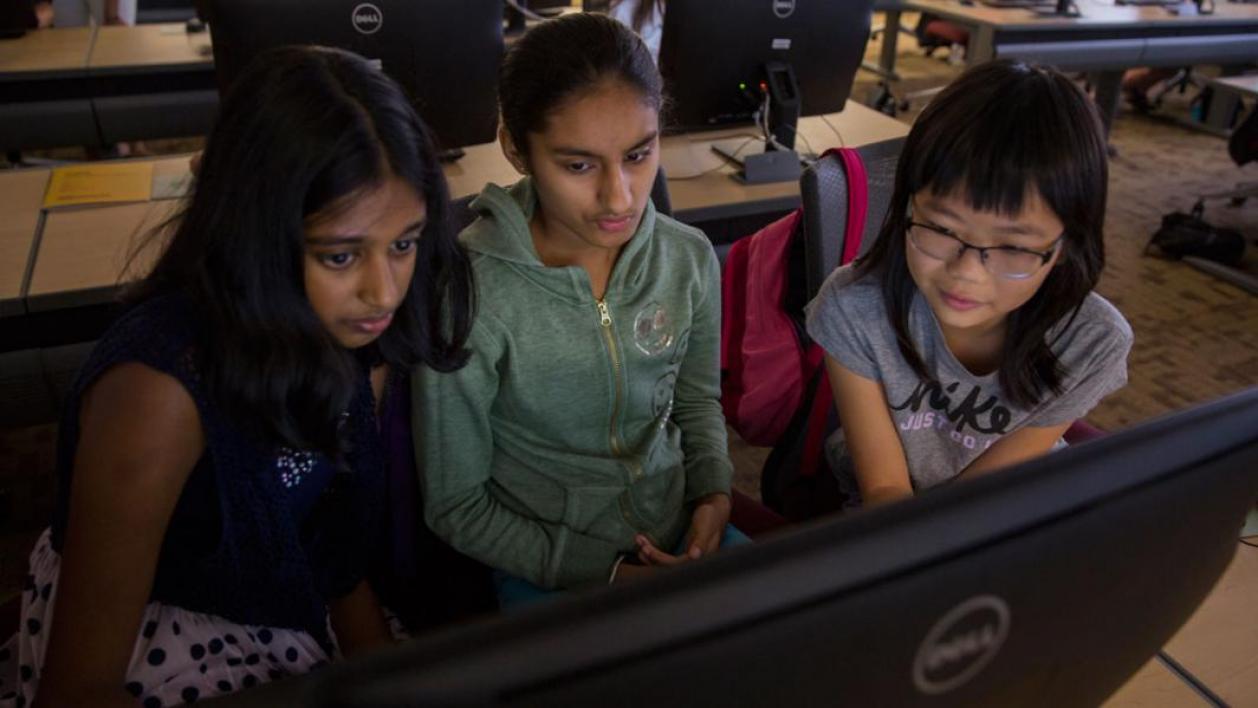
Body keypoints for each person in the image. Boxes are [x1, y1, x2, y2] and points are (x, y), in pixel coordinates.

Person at [0, 45, 474, 707]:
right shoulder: (158, 397)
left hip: (287, 601)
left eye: (404, 243)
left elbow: (336, 554)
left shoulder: (355, 334)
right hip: (160, 633)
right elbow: (77, 690)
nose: (384, 290)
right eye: (341, 256)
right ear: (258, 233)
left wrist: (387, 675)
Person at [414, 12, 741, 609]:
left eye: (640, 155)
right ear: (516, 148)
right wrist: (604, 574)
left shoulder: (687, 259)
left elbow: (695, 401)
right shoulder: (471, 295)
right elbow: (455, 504)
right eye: (579, 166)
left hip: (685, 534)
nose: (620, 197)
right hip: (548, 565)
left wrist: (715, 495)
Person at [805, 59, 1132, 510]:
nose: (966, 274)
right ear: (907, 206)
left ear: (1066, 245)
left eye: (1013, 248)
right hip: (892, 523)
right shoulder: (853, 308)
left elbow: (981, 498)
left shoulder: (1093, 341)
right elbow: (884, 491)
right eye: (940, 229)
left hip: (1003, 510)